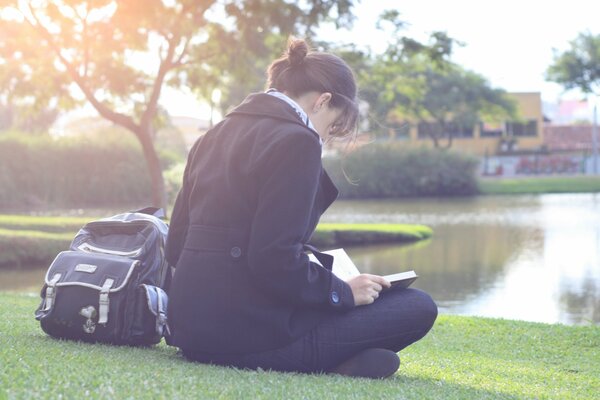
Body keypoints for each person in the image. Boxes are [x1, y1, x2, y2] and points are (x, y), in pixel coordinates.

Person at [165, 38, 437, 379]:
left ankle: (342, 363)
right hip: (249, 339)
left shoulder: (212, 135)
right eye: (333, 125)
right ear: (323, 101)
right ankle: (325, 363)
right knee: (416, 305)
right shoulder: (297, 140)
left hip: (192, 334)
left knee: (349, 297)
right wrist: (342, 292)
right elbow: (271, 259)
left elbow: (176, 245)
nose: (326, 136)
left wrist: (322, 275)